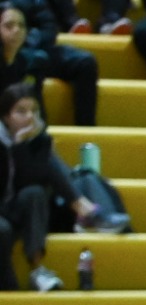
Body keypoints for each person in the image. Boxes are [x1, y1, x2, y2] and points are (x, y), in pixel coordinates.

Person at [0, 81, 94, 289]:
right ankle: (80, 205)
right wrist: (16, 148)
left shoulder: (34, 140)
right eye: (21, 111)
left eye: (34, 111)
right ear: (6, 117)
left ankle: (37, 270)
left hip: (14, 207)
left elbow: (31, 182)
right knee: (3, 229)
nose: (29, 117)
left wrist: (28, 146)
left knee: (35, 193)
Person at [0, 0, 91, 127]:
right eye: (9, 26)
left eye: (21, 25)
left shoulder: (32, 63)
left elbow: (38, 110)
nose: (16, 30)